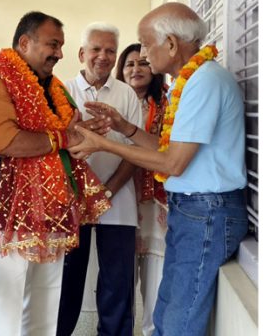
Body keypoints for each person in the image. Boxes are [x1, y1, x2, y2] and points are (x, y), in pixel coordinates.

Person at [69, 2, 249, 336]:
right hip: (194, 210)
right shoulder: (194, 79)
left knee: (179, 320)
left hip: (206, 210)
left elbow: (173, 163)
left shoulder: (204, 81)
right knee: (167, 313)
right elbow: (169, 149)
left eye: (146, 43)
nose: (142, 54)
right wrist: (125, 128)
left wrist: (103, 143)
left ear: (170, 43)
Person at [0, 11, 111, 336]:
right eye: (53, 44)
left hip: (53, 214)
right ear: (24, 42)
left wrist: (84, 132)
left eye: (60, 45)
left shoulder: (52, 88)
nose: (59, 53)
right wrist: (65, 137)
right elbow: (8, 142)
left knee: (46, 307)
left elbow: (63, 138)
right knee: (10, 312)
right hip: (10, 219)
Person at [57, 22, 142, 336]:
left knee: (116, 285)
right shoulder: (61, 91)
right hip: (71, 203)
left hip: (117, 201)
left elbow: (136, 151)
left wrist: (107, 192)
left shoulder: (126, 95)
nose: (103, 56)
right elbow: (53, 148)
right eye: (96, 49)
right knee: (66, 281)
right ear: (82, 53)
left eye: (110, 50)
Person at [116, 43, 168, 336]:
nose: (136, 69)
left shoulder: (167, 105)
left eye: (143, 63)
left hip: (154, 203)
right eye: (129, 65)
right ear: (121, 72)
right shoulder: (112, 105)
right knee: (119, 278)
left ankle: (150, 331)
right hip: (119, 200)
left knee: (154, 276)